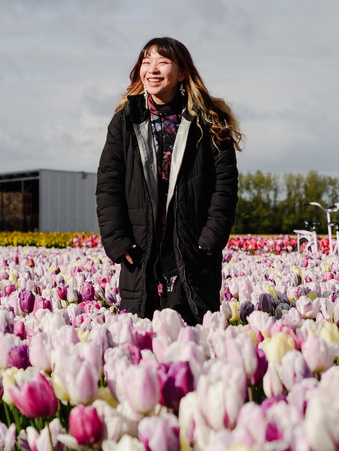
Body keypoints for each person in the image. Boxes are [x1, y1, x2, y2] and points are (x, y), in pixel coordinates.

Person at [96, 37, 241, 323]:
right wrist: (117, 241)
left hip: (191, 248)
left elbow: (225, 187)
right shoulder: (125, 121)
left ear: (183, 71)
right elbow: (108, 185)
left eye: (162, 62)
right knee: (141, 339)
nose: (152, 69)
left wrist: (209, 240)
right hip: (140, 249)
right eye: (146, 62)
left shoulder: (208, 121)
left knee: (192, 338)